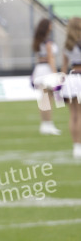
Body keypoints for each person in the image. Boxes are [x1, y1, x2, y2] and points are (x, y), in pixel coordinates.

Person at [31, 18, 61, 135]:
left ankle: (44, 125)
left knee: (44, 99)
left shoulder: (38, 40)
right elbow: (50, 58)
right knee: (48, 99)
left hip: (39, 69)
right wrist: (55, 73)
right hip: (46, 71)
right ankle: (49, 124)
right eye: (50, 25)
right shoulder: (47, 42)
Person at [61, 17, 81, 159]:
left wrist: (60, 85)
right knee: (80, 115)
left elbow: (63, 68)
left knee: (73, 115)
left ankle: (76, 147)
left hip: (71, 79)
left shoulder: (67, 45)